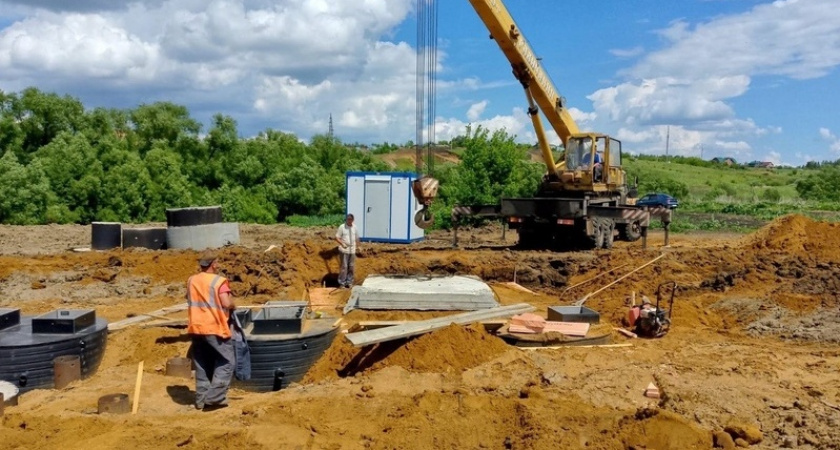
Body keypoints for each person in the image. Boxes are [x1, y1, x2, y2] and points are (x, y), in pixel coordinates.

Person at [186, 250, 235, 411]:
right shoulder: (219, 281)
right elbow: (226, 303)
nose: (219, 264)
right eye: (217, 262)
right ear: (213, 264)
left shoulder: (191, 280)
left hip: (196, 327)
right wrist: (234, 305)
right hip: (214, 327)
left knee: (202, 364)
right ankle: (214, 398)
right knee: (227, 361)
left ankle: (201, 400)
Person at [335, 213, 360, 288]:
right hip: (344, 250)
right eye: (348, 219)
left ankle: (349, 282)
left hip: (352, 250)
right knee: (344, 267)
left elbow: (357, 238)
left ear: (353, 220)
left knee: (351, 266)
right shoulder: (342, 227)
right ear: (346, 219)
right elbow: (337, 237)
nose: (349, 221)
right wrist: (342, 243)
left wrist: (358, 246)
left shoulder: (355, 227)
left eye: (350, 219)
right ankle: (342, 282)